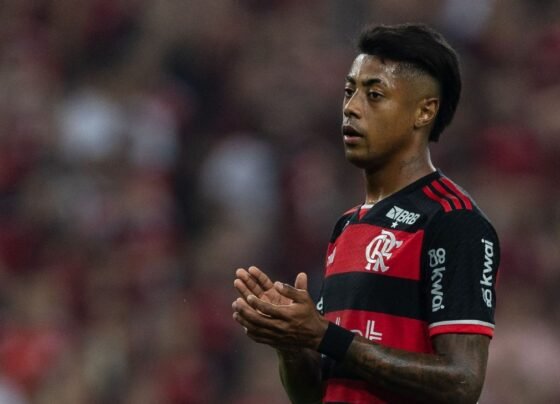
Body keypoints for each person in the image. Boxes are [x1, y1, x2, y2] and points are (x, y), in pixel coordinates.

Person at [232, 23, 500, 404]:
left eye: (374, 94)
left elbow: (462, 383)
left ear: (424, 111)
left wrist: (327, 336)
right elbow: (317, 394)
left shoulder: (453, 221)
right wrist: (291, 342)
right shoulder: (347, 226)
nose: (351, 108)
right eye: (349, 91)